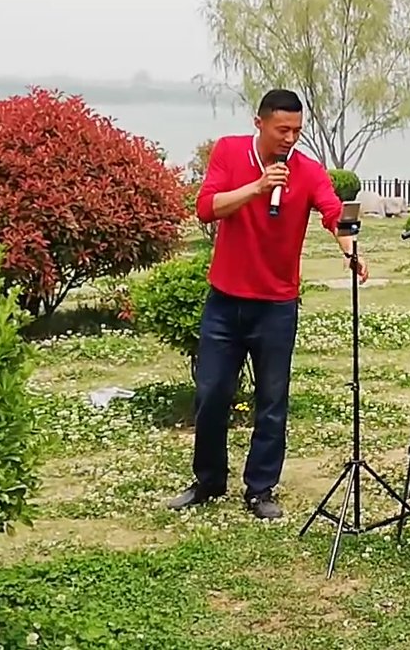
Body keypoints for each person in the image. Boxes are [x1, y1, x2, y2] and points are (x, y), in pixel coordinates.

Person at [167, 88, 369, 520]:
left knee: (272, 400)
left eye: (297, 131)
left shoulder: (309, 172)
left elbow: (334, 214)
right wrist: (257, 188)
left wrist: (349, 250)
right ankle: (208, 481)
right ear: (259, 123)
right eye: (282, 129)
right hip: (224, 302)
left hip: (276, 306)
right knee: (212, 393)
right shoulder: (229, 151)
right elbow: (207, 208)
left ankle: (260, 489)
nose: (290, 138)